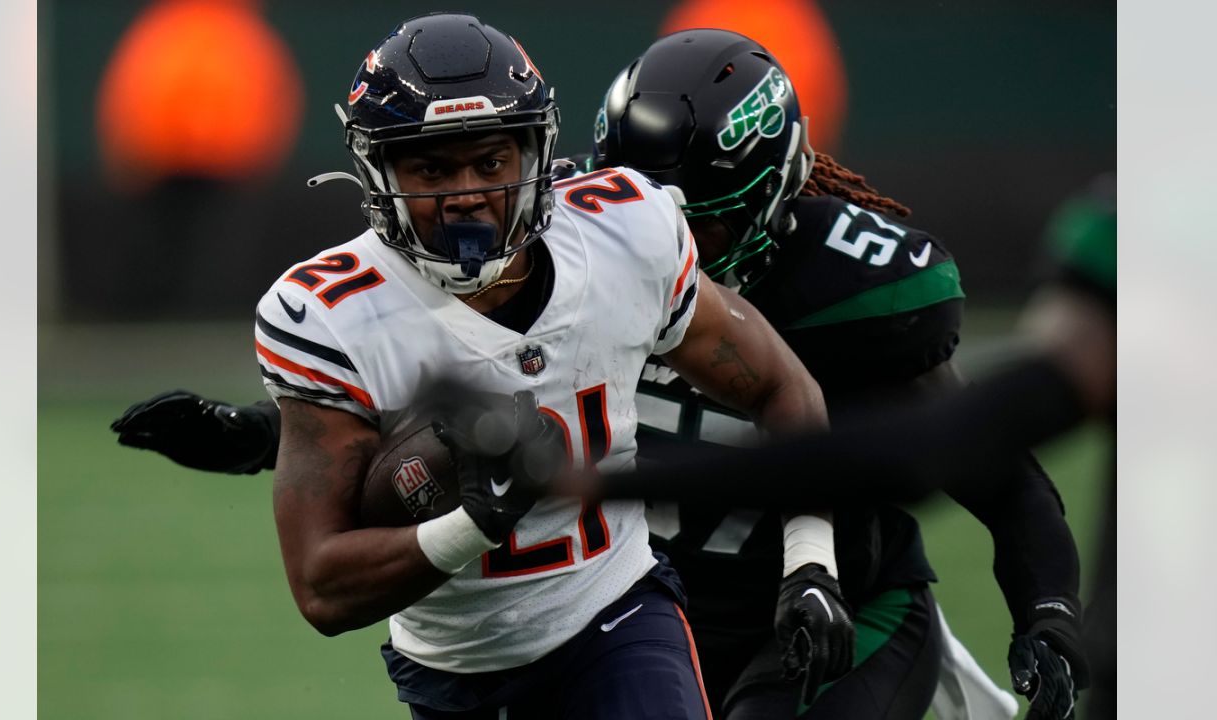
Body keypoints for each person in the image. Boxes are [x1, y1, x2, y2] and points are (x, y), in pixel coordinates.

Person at [110, 26, 1084, 720]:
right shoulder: (573, 228)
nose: (675, 236)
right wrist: (266, 437)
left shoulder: (812, 290)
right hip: (642, 613)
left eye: (695, 217)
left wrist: (1035, 605)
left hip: (801, 608)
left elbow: (976, 458)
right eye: (432, 171)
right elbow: (468, 391)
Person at [235, 12, 831, 720]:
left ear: (535, 156)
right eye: (430, 167)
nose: (464, 194)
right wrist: (480, 523)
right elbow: (322, 587)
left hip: (616, 616)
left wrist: (810, 562)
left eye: (490, 162)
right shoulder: (332, 314)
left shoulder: (624, 237)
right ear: (380, 169)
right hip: (456, 669)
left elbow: (782, 388)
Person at [584, 30, 1085, 720]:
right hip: (649, 619)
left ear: (769, 195)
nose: (666, 255)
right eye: (637, 221)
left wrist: (1049, 612)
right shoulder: (574, 261)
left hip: (835, 615)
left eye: (698, 231)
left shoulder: (843, 296)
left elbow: (999, 478)